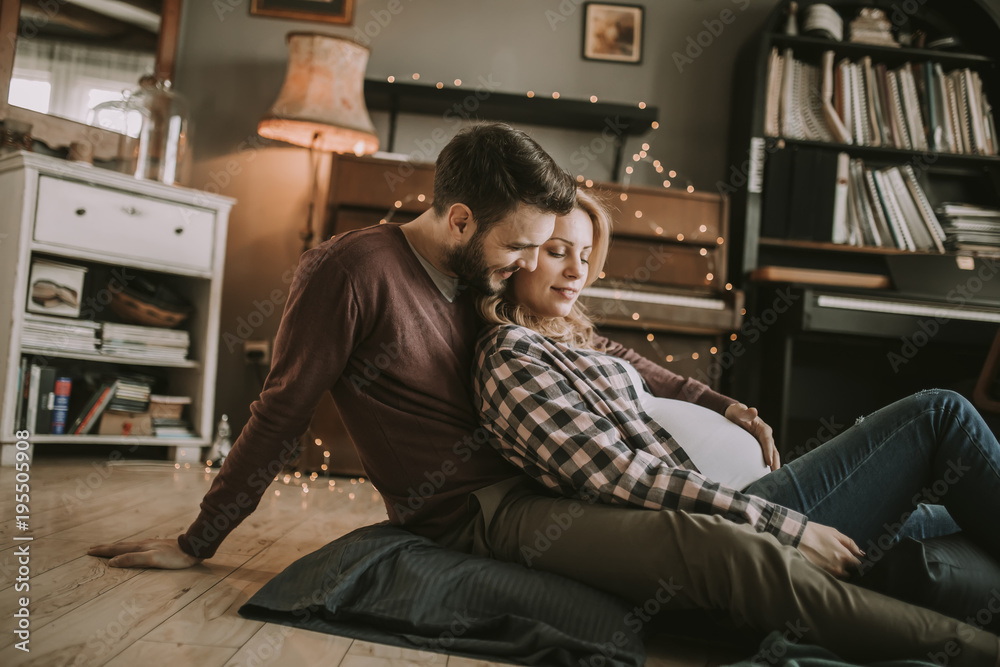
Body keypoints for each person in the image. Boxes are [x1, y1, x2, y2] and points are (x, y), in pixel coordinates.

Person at [88, 125, 999, 666]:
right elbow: (280, 410)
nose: (542, 264)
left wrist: (717, 404)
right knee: (729, 549)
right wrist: (196, 540)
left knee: (919, 497)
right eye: (524, 245)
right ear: (457, 220)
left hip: (551, 472)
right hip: (488, 505)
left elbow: (596, 350)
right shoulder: (352, 273)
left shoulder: (476, 274)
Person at [472, 186, 1000, 664]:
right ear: (516, 256)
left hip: (754, 499)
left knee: (941, 530)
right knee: (938, 413)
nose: (577, 272)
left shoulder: (564, 336)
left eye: (586, 256)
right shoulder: (511, 354)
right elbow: (619, 476)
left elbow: (649, 373)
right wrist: (788, 527)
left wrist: (726, 408)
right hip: (748, 523)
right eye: (559, 252)